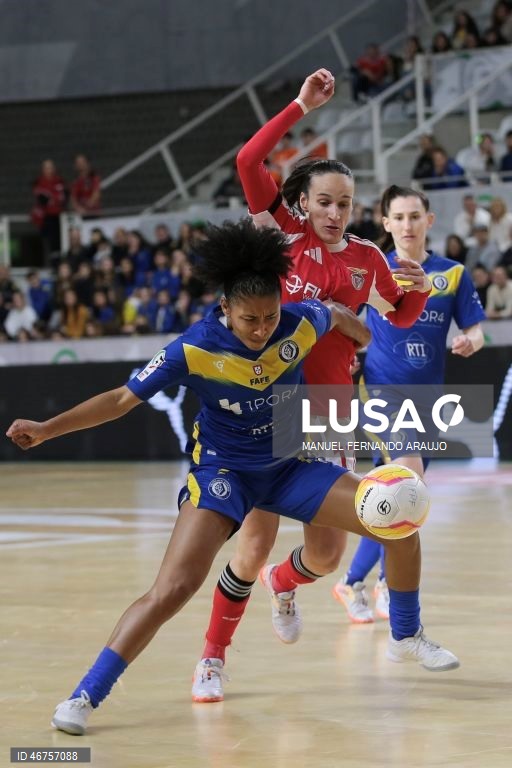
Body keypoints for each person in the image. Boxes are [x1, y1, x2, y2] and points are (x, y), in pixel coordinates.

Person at [6, 220, 457, 736]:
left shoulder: (298, 319)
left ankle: (404, 634)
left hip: (291, 462)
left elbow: (336, 315)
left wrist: (356, 345)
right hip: (225, 472)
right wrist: (46, 428)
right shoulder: (193, 347)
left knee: (399, 513)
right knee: (173, 587)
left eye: (269, 316)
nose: (262, 328)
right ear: (225, 308)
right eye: (249, 320)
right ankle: (85, 695)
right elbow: (119, 400)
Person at [190, 69, 442, 704]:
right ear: (301, 202)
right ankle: (213, 658)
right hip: (267, 411)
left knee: (325, 556)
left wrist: (413, 287)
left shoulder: (368, 258)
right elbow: (249, 159)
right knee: (253, 542)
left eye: (345, 204)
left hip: (327, 414)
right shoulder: (281, 237)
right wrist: (301, 105)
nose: (334, 213)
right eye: (324, 201)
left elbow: (397, 314)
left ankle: (286, 582)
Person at [334, 185, 485, 623]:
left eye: (414, 216)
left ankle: (361, 583)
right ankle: (373, 585)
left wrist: (470, 341)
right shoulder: (370, 269)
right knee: (405, 485)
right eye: (397, 217)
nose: (406, 224)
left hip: (429, 402)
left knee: (403, 497)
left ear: (429, 220)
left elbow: (477, 328)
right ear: (385, 223)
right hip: (381, 391)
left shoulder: (452, 274)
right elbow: (343, 318)